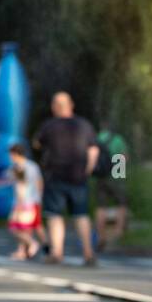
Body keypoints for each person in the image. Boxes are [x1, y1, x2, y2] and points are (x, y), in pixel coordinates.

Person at [33, 92, 99, 266]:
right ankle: (88, 252)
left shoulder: (49, 126)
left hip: (55, 177)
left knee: (55, 216)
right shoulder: (84, 125)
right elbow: (93, 150)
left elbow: (37, 144)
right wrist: (88, 170)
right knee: (81, 215)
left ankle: (57, 252)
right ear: (71, 105)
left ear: (54, 107)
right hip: (79, 177)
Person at [93, 123, 129, 252]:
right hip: (117, 174)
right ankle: (118, 232)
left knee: (101, 206)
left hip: (102, 176)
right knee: (121, 203)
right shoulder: (118, 139)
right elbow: (124, 157)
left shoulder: (98, 138)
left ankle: (101, 236)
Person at [7, 143, 44, 260]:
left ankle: (32, 245)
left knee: (16, 227)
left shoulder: (18, 168)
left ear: (15, 154)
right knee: (27, 227)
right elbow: (40, 183)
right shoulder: (33, 166)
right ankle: (23, 250)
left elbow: (21, 189)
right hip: (33, 200)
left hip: (24, 203)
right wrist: (39, 198)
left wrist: (18, 206)